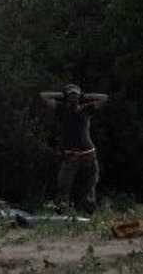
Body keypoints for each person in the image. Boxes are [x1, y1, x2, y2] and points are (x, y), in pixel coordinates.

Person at [38, 84, 110, 214]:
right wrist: (62, 94)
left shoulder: (86, 109)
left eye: (75, 95)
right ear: (66, 98)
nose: (74, 98)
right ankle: (62, 213)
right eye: (71, 95)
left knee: (89, 187)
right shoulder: (61, 109)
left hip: (88, 155)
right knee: (63, 187)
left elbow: (104, 98)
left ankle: (90, 214)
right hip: (71, 156)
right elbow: (43, 95)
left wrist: (84, 96)